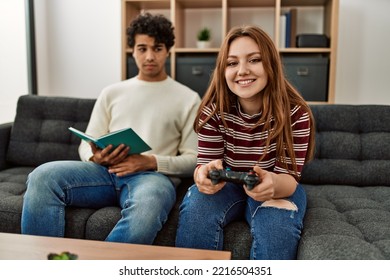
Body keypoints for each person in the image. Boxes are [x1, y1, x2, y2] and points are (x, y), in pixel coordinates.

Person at [21, 13, 201, 245]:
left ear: (167, 51)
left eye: (157, 48)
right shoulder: (112, 92)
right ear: (132, 50)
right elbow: (86, 144)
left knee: (150, 202)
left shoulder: (188, 98)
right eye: (142, 48)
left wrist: (150, 161)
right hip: (104, 174)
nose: (149, 56)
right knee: (42, 175)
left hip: (151, 178)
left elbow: (194, 159)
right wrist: (95, 157)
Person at [175, 25, 315, 259]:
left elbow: (289, 180)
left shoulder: (296, 113)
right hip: (226, 186)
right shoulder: (213, 112)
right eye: (232, 63)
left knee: (277, 228)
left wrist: (272, 183)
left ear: (271, 64)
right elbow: (207, 164)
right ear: (223, 70)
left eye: (254, 60)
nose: (242, 70)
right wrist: (202, 175)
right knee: (196, 210)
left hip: (276, 185)